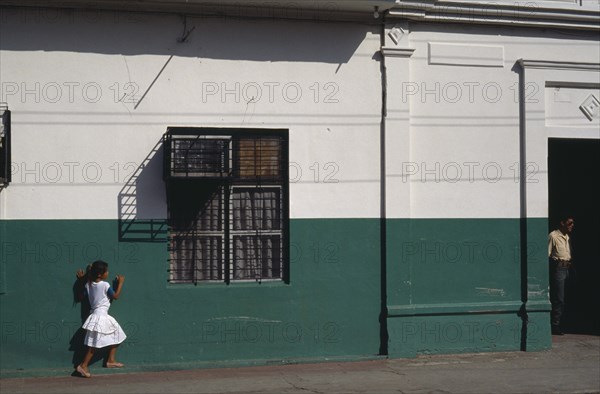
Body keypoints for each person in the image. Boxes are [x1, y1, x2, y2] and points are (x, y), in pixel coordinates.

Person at [75, 260, 127, 378]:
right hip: (100, 317)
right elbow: (115, 296)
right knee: (94, 344)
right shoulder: (105, 285)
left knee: (117, 333)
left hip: (100, 316)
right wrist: (121, 283)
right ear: (100, 274)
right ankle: (83, 365)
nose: (107, 273)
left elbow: (80, 296)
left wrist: (81, 280)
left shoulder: (88, 285)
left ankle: (110, 360)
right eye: (106, 271)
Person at [548, 215, 575, 336]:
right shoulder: (553, 236)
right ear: (562, 223)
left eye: (572, 223)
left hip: (568, 268)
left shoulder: (567, 237)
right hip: (558, 268)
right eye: (569, 223)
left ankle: (565, 323)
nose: (572, 225)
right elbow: (547, 254)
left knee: (567, 297)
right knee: (559, 298)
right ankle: (555, 325)